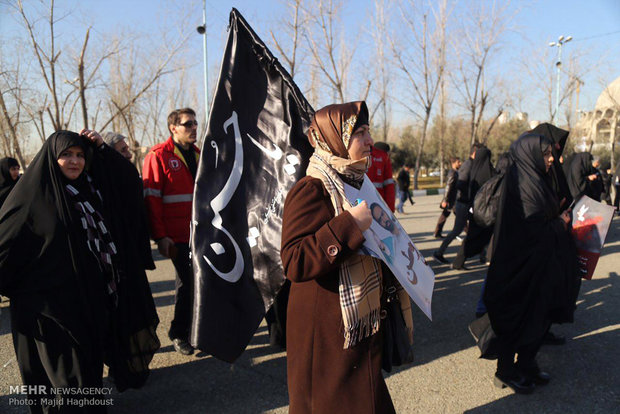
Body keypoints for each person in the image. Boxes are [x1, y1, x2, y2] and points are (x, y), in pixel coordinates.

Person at [0, 130, 159, 412]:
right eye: (66, 155)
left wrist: (102, 148)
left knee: (89, 380)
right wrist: (31, 291)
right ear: (51, 158)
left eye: (80, 155)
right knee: (68, 387)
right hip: (52, 317)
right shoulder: (30, 200)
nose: (74, 162)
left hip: (89, 306)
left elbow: (127, 184)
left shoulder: (87, 190)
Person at [281, 101, 413, 414]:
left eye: (368, 131)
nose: (369, 140)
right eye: (359, 133)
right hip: (326, 334)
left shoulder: (356, 183)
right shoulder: (311, 188)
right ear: (335, 140)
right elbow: (294, 260)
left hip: (357, 328)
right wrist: (349, 225)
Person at [483, 133, 580, 394]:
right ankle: (505, 371)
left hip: (540, 264)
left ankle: (526, 364)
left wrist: (558, 214)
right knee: (517, 318)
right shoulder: (523, 182)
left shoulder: (537, 178)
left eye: (552, 154)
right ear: (531, 154)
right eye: (547, 154)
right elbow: (532, 229)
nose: (551, 159)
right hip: (519, 267)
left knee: (540, 316)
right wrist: (560, 222)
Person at [143, 107, 199, 355]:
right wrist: (160, 236)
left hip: (201, 234)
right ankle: (178, 333)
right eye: (188, 124)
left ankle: (196, 330)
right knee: (186, 284)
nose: (194, 128)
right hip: (177, 236)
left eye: (195, 123)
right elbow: (151, 200)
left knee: (200, 284)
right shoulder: (158, 156)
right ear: (173, 128)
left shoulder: (199, 155)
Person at [433, 143, 482, 264]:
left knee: (466, 229)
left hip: (465, 203)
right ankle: (440, 253)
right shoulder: (468, 166)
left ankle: (480, 254)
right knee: (457, 230)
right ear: (475, 153)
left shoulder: (471, 165)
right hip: (463, 203)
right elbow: (458, 185)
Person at [451, 147, 495, 270]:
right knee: (478, 236)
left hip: (474, 209)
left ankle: (468, 259)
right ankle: (459, 261)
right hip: (484, 210)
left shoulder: (474, 171)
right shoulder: (489, 172)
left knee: (476, 235)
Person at [434, 157, 461, 238]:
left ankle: (437, 233)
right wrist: (445, 200)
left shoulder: (455, 172)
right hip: (451, 200)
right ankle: (470, 234)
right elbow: (448, 187)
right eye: (458, 162)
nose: (460, 163)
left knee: (445, 216)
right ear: (454, 163)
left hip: (452, 199)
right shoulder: (453, 173)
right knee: (461, 217)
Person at [367, 145, 396, 212]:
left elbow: (389, 185)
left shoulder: (383, 157)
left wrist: (390, 209)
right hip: (363, 204)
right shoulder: (383, 157)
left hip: (378, 204)